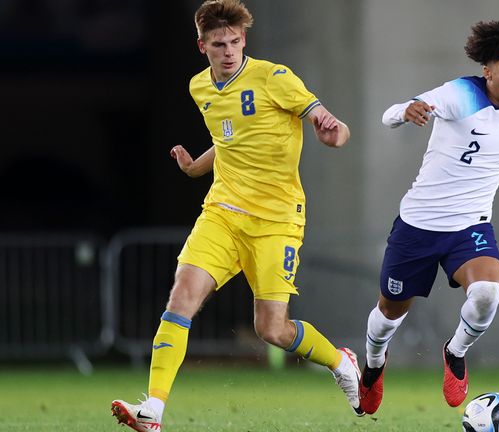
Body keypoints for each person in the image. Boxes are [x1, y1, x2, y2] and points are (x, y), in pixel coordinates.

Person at [111, 1, 362, 430]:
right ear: (202, 46)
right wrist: (196, 167)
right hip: (222, 212)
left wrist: (333, 132)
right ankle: (152, 411)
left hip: (276, 221)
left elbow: (326, 121)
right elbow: (228, 139)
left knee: (272, 330)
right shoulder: (199, 88)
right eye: (217, 44)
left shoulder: (275, 77)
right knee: (181, 299)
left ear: (243, 40)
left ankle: (341, 362)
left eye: (234, 42)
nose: (227, 51)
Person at [358, 18, 499, 414]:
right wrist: (407, 110)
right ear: (487, 70)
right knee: (388, 314)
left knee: (488, 293)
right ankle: (374, 363)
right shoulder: (459, 95)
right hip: (418, 226)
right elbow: (388, 114)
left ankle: (455, 352)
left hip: (470, 227)